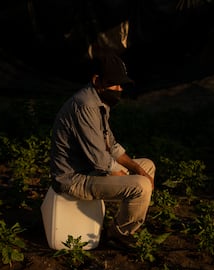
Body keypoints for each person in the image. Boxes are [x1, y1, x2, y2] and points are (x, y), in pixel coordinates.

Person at [50, 52, 155, 247]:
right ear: (97, 80)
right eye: (114, 84)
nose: (119, 89)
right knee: (141, 186)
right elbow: (99, 160)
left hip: (92, 170)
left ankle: (121, 223)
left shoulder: (100, 103)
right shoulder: (86, 106)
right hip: (75, 178)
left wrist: (137, 169)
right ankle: (119, 234)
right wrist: (127, 176)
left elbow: (112, 146)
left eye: (121, 85)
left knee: (147, 167)